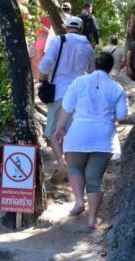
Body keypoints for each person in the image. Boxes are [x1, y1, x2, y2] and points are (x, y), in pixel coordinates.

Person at [53, 52, 128, 231]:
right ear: (111, 67)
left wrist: (59, 128)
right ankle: (92, 219)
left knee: (75, 168)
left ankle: (79, 201)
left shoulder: (79, 82)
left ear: (94, 64)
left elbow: (67, 107)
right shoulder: (117, 88)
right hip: (103, 138)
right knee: (94, 179)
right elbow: (122, 115)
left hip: (78, 135)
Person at [38, 16, 96, 183]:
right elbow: (92, 72)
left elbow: (44, 65)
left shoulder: (58, 41)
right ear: (81, 28)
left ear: (66, 26)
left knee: (51, 131)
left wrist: (43, 79)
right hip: (78, 95)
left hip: (58, 93)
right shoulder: (87, 46)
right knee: (71, 132)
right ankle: (72, 167)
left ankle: (63, 162)